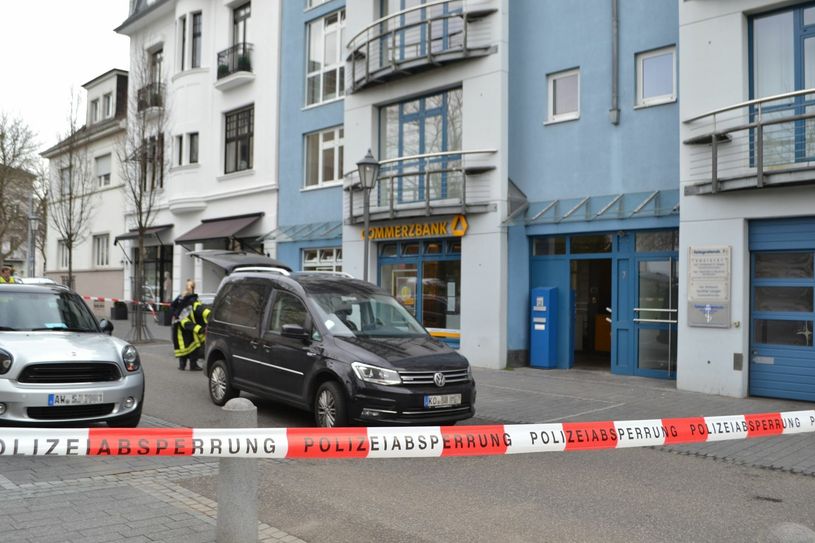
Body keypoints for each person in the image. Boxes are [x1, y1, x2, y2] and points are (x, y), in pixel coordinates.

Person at [177, 292, 210, 371]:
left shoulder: (184, 305)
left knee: (185, 347)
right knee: (192, 347)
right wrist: (201, 329)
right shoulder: (194, 305)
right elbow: (186, 322)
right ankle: (192, 365)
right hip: (187, 329)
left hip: (183, 330)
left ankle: (183, 365)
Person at [171, 279, 199, 370]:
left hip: (178, 324)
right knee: (192, 344)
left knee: (182, 345)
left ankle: (182, 365)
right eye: (190, 286)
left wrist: (175, 315)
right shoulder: (191, 297)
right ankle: (192, 365)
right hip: (187, 325)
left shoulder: (181, 296)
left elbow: (173, 306)